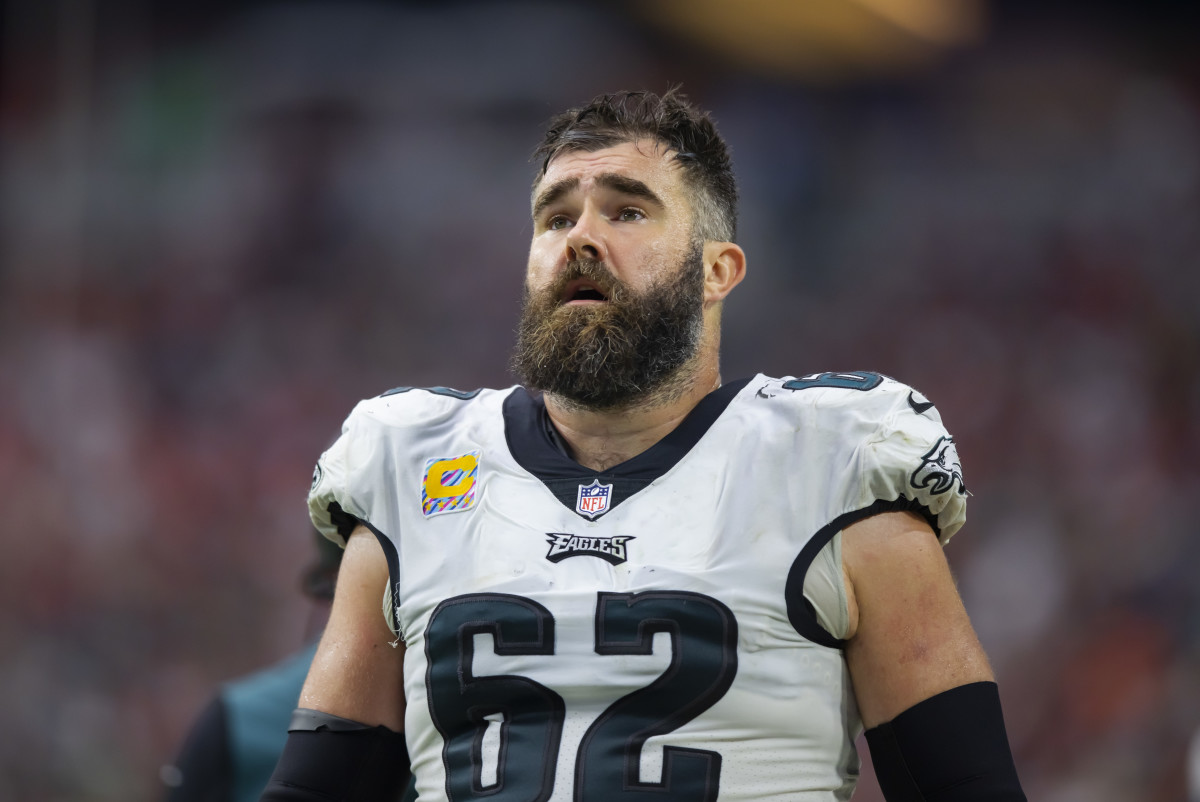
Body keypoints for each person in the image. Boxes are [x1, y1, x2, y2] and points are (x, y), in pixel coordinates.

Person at [262, 88, 1026, 801]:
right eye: (556, 218)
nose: (581, 239)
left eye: (627, 212)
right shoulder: (413, 466)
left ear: (716, 270)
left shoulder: (834, 463)